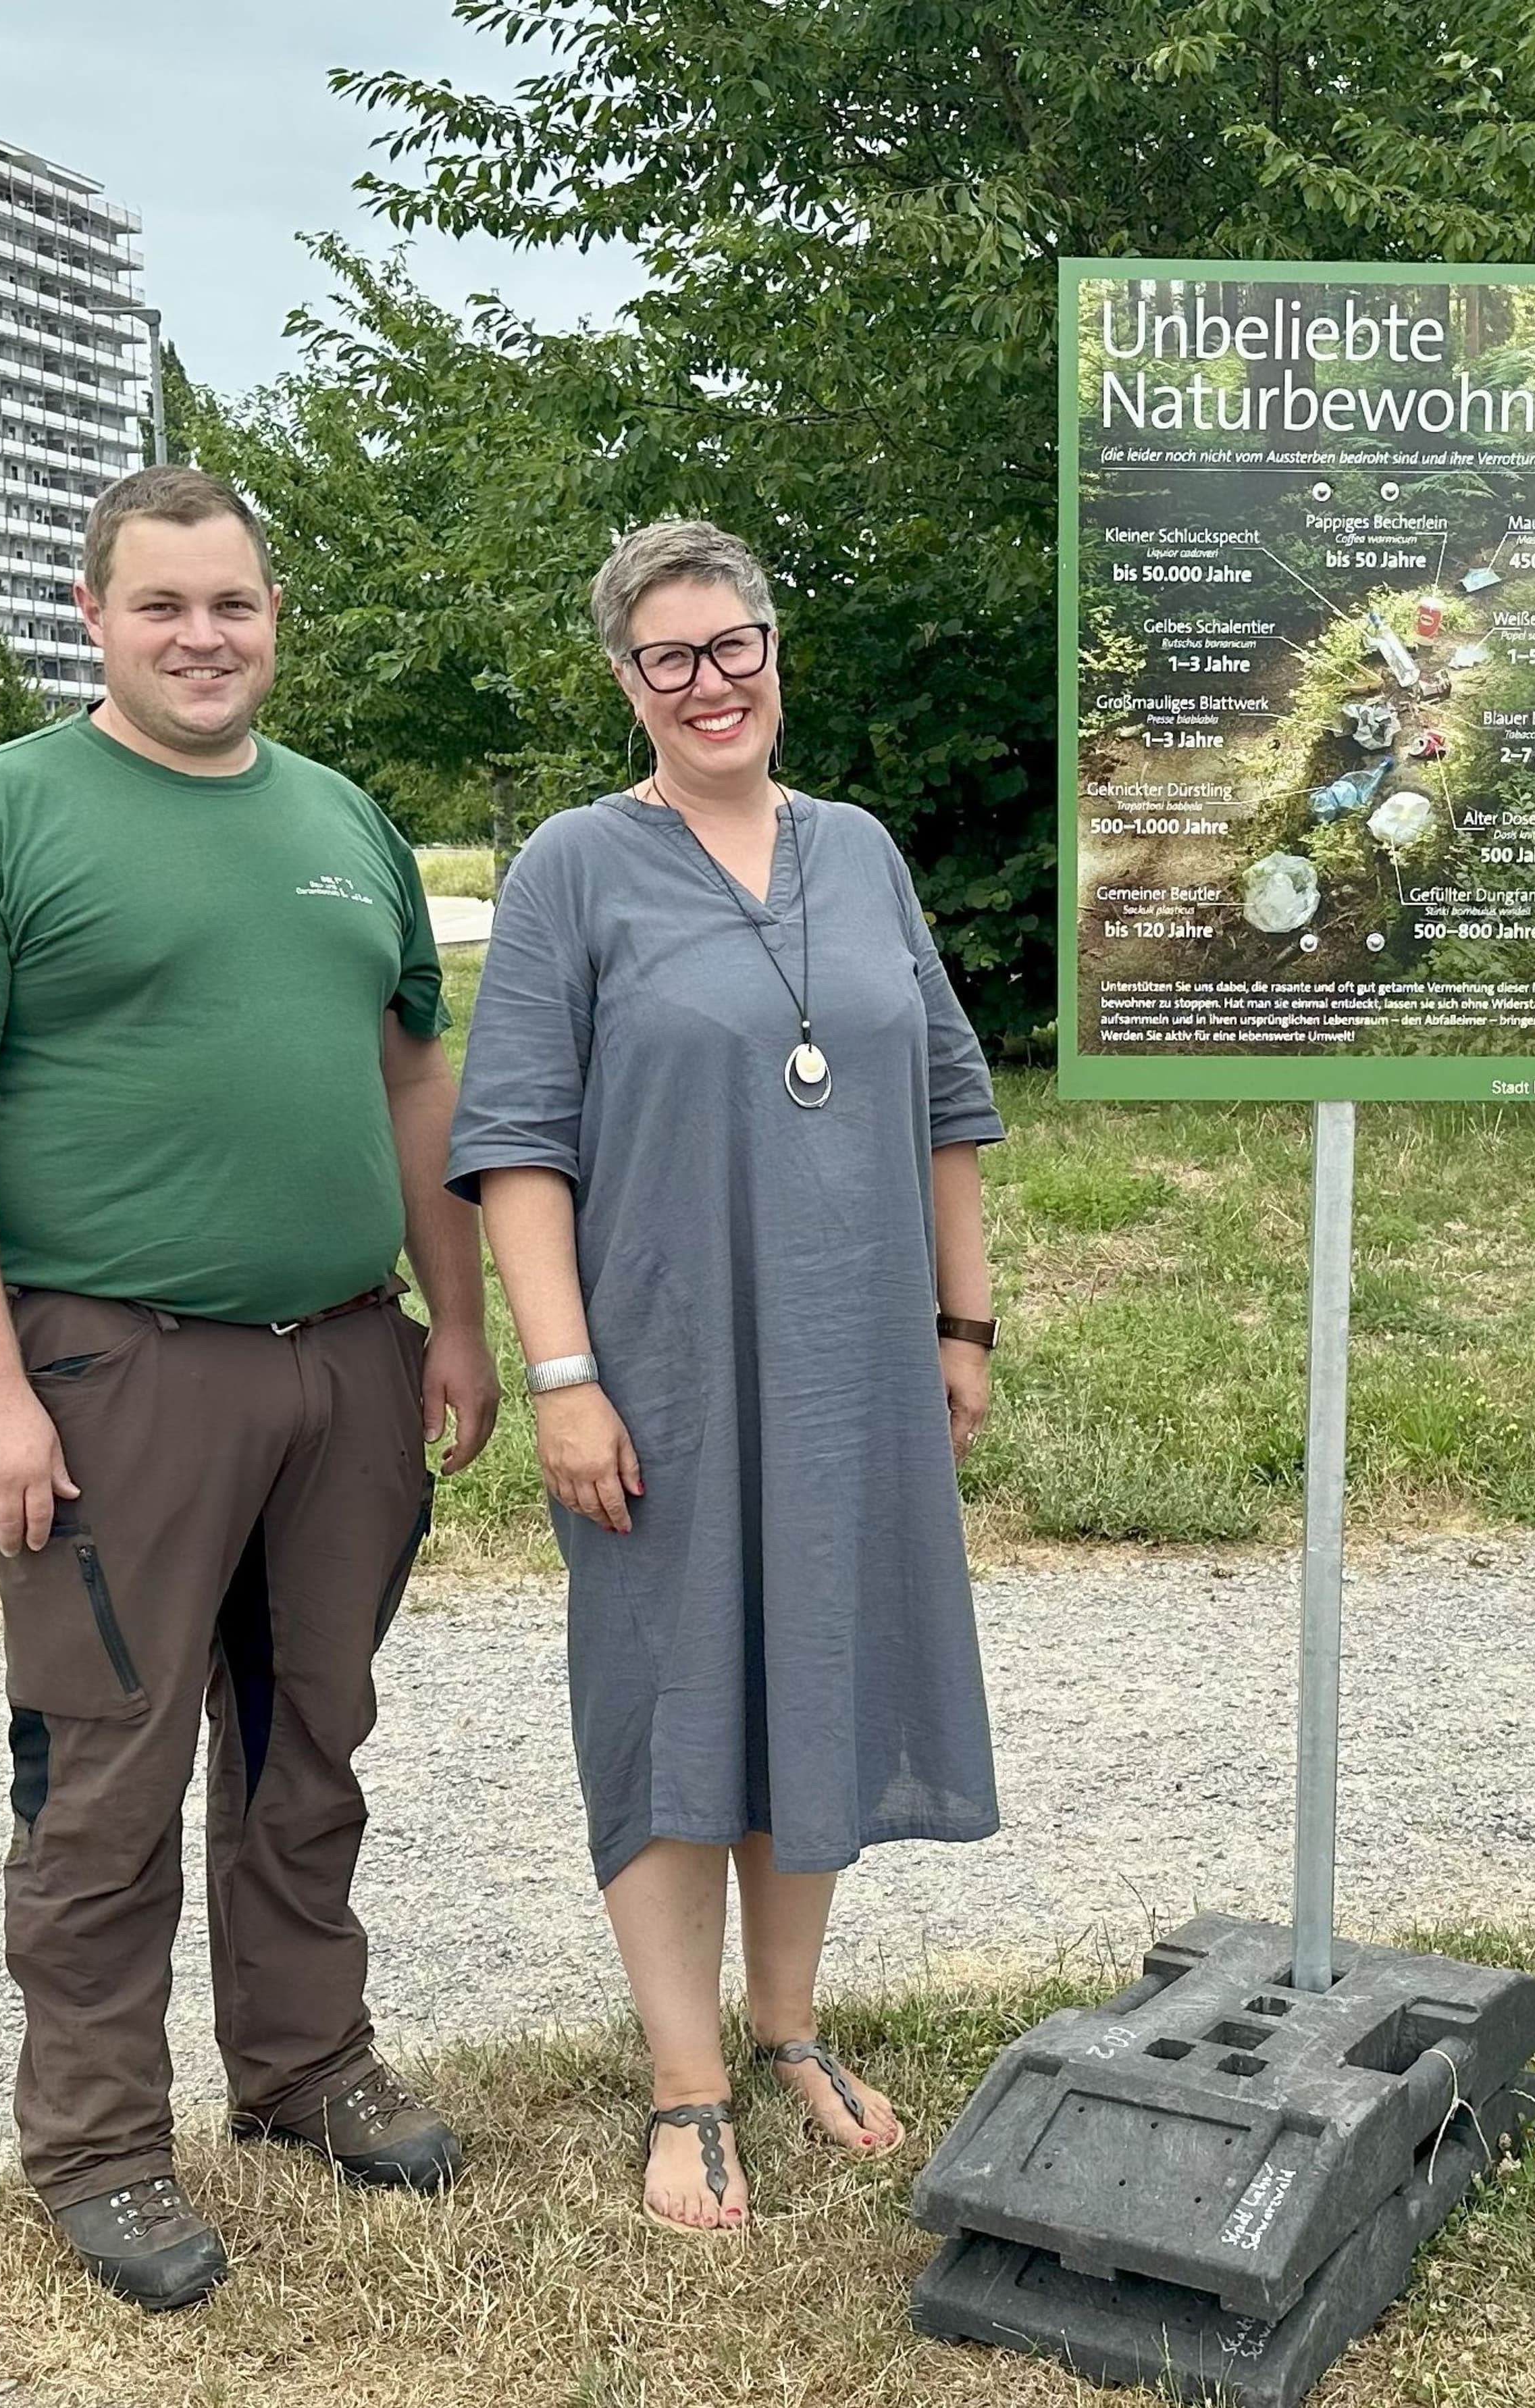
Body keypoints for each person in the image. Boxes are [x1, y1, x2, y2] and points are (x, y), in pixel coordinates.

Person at [0, 466, 501, 2312]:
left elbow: (409, 1088)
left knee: (312, 1742)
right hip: (112, 1368)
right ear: (95, 617)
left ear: (274, 615)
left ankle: (302, 2064)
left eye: (235, 604)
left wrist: (449, 1321)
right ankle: (101, 2145)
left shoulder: (341, 819)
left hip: (341, 1357)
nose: (205, 637)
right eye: (165, 606)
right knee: (107, 1772)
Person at [446, 517, 1004, 2234]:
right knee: (676, 1694)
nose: (712, 681)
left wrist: (962, 1326)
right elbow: (518, 1138)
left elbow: (947, 1099)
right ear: (627, 681)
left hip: (857, 1362)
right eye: (669, 657)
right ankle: (686, 2086)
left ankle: (789, 2031)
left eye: (734, 642)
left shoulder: (860, 852)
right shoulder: (573, 868)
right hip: (664, 1368)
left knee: (817, 1672)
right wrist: (561, 1373)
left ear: (777, 649)